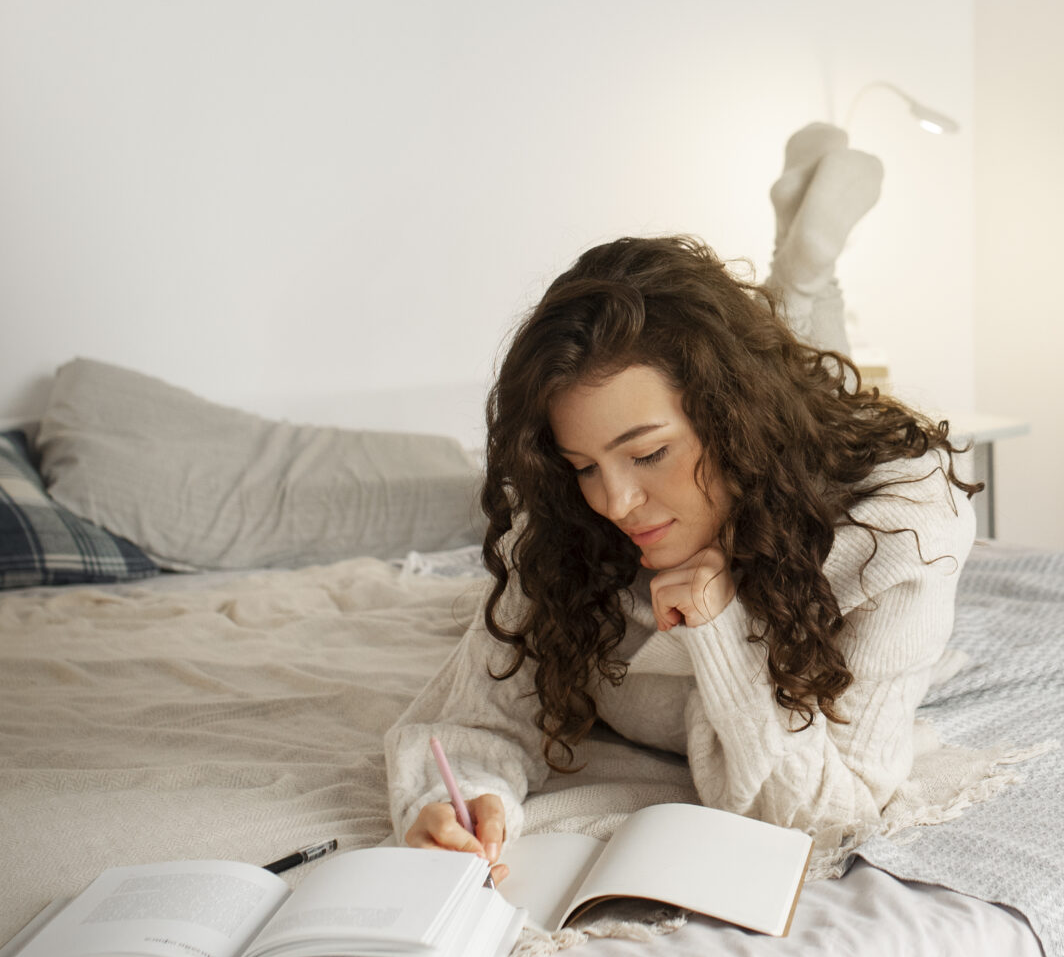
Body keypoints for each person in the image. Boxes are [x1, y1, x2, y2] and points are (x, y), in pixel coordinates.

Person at [386, 234, 983, 877]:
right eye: (584, 466)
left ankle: (807, 264)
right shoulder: (565, 522)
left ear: (736, 418)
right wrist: (457, 802)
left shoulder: (898, 533)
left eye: (648, 455)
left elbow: (831, 817)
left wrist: (721, 626)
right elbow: (476, 722)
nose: (614, 501)